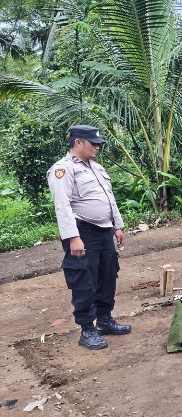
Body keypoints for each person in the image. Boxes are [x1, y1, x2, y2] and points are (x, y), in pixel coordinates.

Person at [47, 124, 132, 350]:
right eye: (93, 143)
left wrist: (118, 226)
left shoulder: (96, 168)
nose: (97, 147)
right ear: (78, 142)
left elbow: (109, 198)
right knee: (84, 280)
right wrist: (73, 237)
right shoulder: (63, 169)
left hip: (104, 231)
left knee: (107, 275)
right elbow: (62, 206)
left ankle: (104, 320)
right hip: (82, 232)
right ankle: (87, 330)